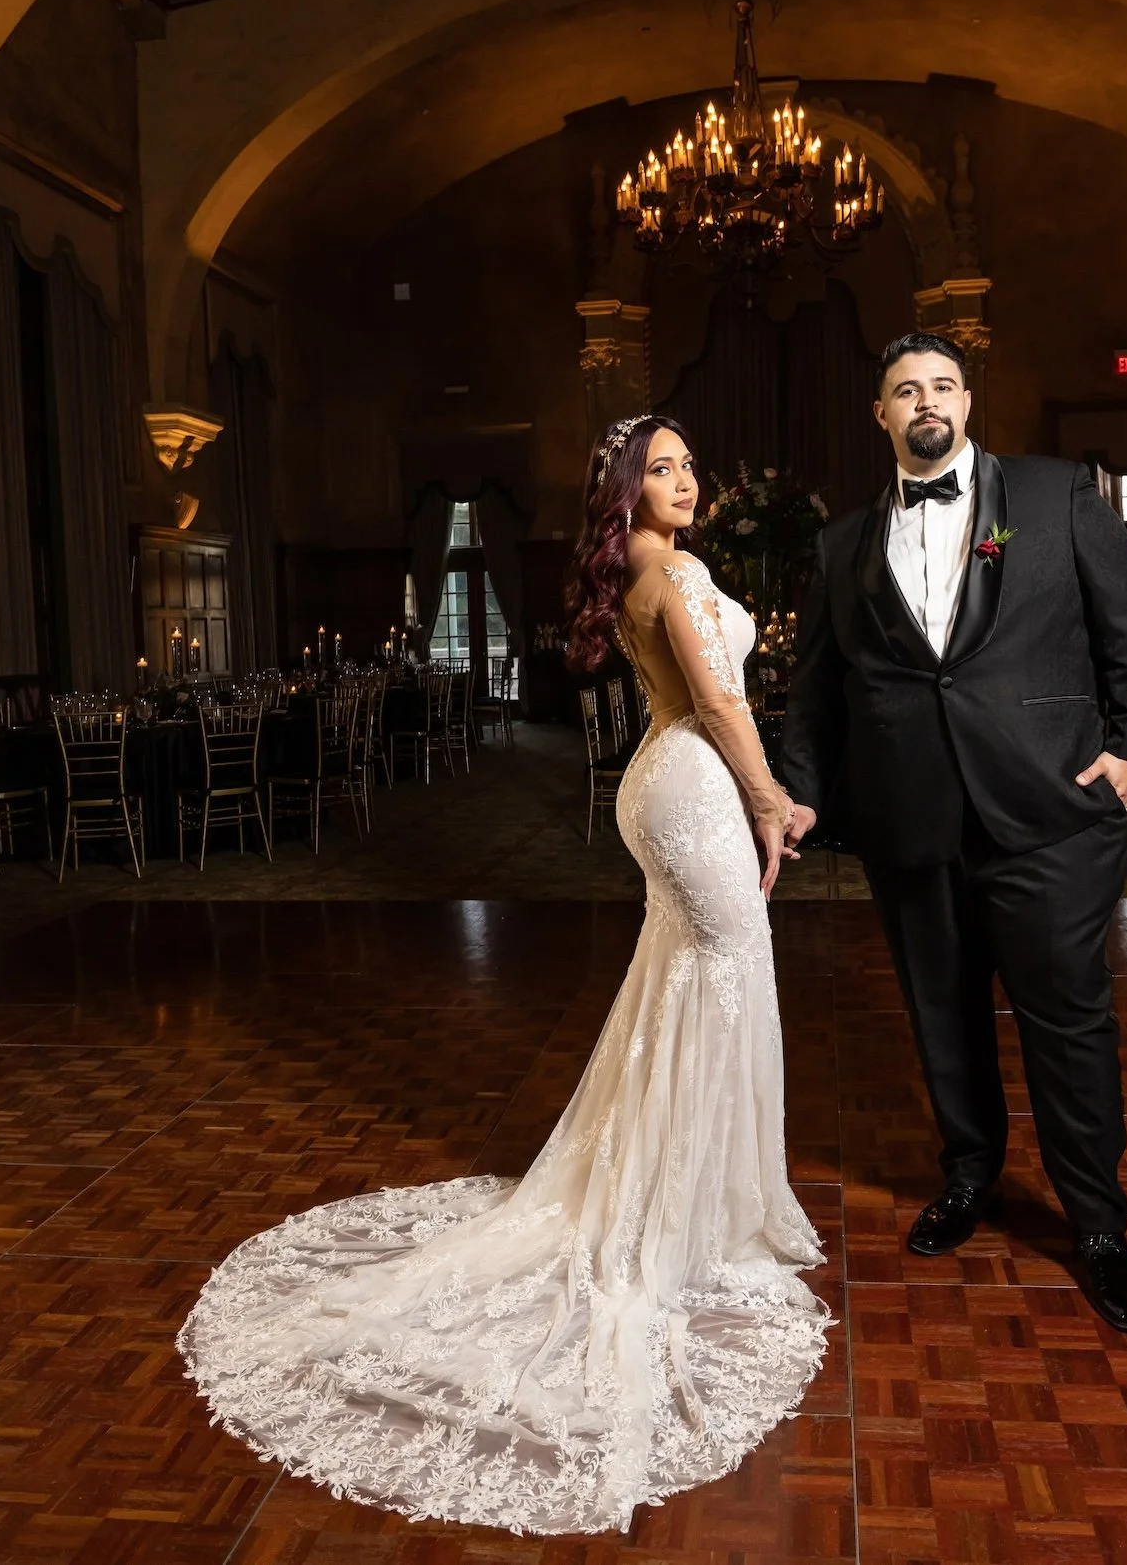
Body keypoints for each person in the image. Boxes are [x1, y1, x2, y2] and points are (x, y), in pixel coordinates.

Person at [181, 415, 825, 1535]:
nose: (684, 479)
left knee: (690, 981)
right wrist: (772, 800)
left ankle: (685, 1202)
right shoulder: (664, 567)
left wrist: (756, 799)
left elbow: (714, 699)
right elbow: (720, 704)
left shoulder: (653, 564)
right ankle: (684, 1220)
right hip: (691, 780)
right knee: (721, 975)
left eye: (687, 463)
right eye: (659, 467)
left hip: (669, 783)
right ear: (625, 490)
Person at [777, 333, 1127, 1332]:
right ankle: (969, 1174)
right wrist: (800, 795)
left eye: (942, 384)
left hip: (1048, 812)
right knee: (941, 1018)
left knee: (1066, 1020)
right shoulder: (841, 545)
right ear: (880, 413)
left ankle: (1095, 1226)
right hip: (910, 818)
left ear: (965, 399)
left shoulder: (1052, 494)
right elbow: (816, 690)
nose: (926, 400)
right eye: (905, 388)